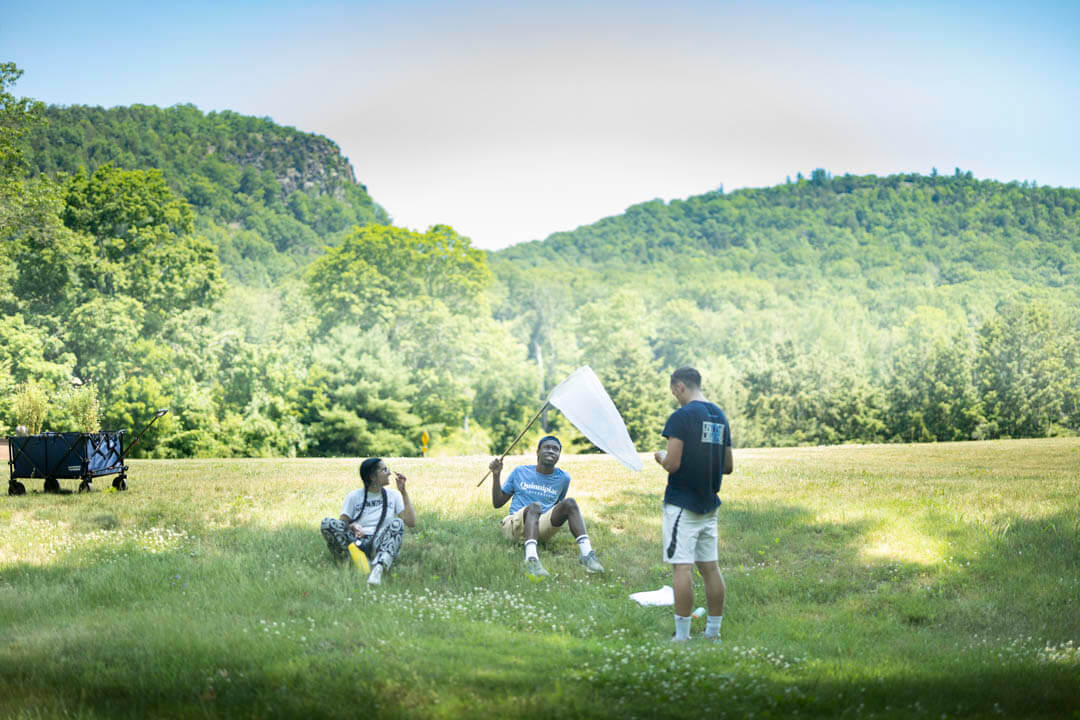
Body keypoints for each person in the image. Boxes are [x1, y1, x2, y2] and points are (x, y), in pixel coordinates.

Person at [653, 367, 733, 642]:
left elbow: (672, 464)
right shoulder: (720, 416)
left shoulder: (681, 417)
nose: (674, 396)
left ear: (678, 387)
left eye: (673, 391)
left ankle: (682, 636)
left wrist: (661, 456)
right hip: (709, 504)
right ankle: (713, 633)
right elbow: (728, 466)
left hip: (682, 505)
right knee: (710, 568)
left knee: (682, 568)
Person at [488, 435, 605, 579]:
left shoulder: (563, 478)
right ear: (537, 452)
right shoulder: (520, 472)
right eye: (547, 447)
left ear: (559, 455)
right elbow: (497, 502)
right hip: (515, 525)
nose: (551, 451)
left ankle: (587, 555)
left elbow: (557, 506)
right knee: (535, 507)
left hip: (540, 527)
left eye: (556, 449)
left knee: (570, 503)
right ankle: (531, 559)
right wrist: (496, 475)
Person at [320, 457, 417, 586]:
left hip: (381, 543)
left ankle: (378, 568)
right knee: (327, 523)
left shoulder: (394, 495)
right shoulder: (353, 496)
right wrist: (353, 525)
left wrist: (403, 492)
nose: (389, 473)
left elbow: (411, 522)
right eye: (384, 470)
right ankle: (350, 560)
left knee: (397, 523)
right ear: (372, 477)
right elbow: (342, 524)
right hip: (356, 543)